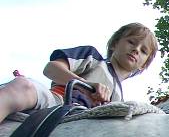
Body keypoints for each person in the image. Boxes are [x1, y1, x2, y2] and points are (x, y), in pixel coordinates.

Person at [0, 22, 158, 123]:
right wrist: (86, 85)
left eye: (143, 51)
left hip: (85, 122)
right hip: (57, 101)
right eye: (131, 42)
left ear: (143, 66)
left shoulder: (120, 98)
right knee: (23, 87)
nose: (136, 50)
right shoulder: (93, 58)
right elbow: (51, 69)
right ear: (114, 44)